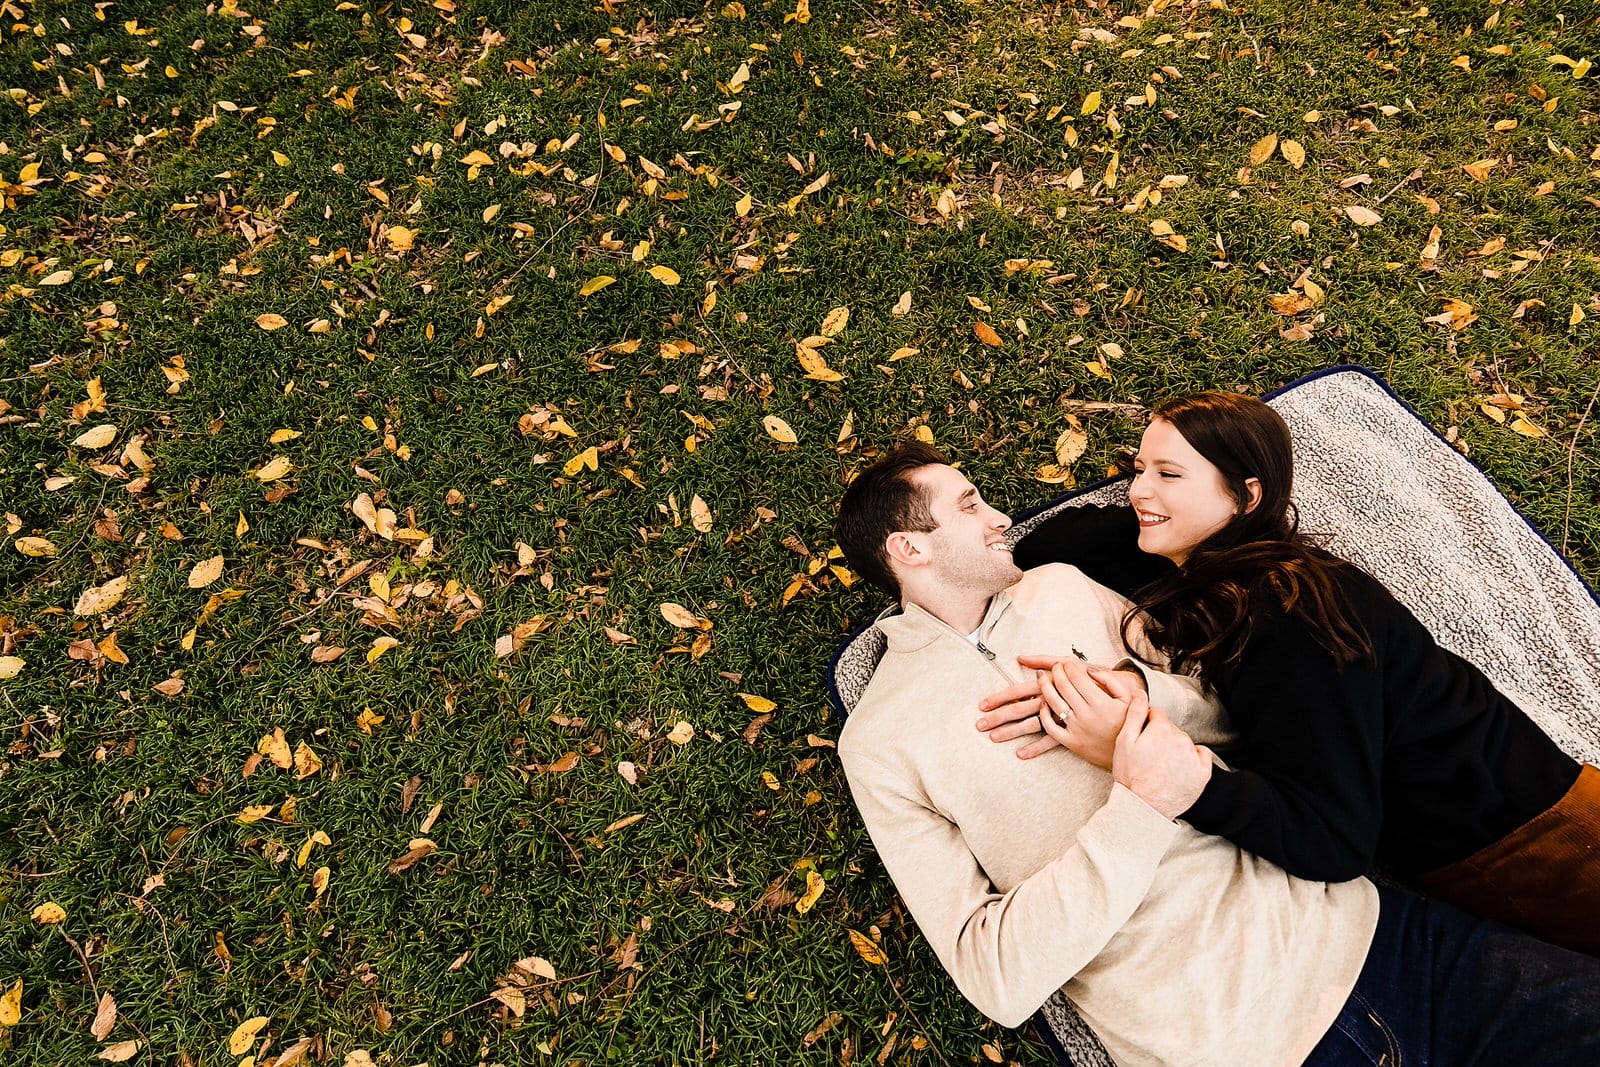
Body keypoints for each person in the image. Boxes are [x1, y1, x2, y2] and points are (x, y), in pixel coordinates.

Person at [835, 442, 1600, 1067]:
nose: (1003, 517)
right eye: (970, 505)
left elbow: (1228, 713)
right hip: (1240, 1038)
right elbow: (996, 978)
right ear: (909, 547)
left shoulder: (1063, 587)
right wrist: (1139, 797)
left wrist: (1137, 702)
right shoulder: (880, 740)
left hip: (1386, 935)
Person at [987, 392, 1600, 958]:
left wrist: (1170, 776)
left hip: (1535, 845)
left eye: (1169, 474)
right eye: (1138, 469)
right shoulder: (1222, 567)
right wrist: (1161, 515)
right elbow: (1048, 544)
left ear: (1246, 497)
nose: (1137, 492)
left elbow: (1331, 840)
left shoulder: (1284, 612)